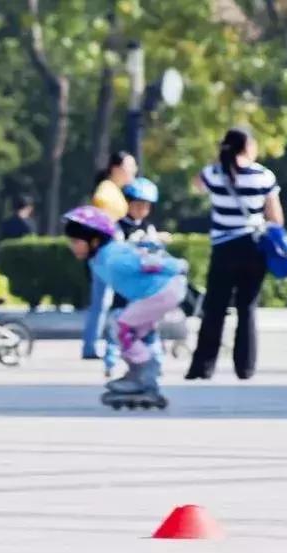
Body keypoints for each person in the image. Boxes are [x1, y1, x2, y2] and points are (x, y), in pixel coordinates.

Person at [185, 127, 284, 381]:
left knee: (215, 308)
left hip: (223, 248)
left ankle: (203, 367)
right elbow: (276, 217)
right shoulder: (263, 175)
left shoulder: (213, 173)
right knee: (246, 308)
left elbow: (195, 186)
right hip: (253, 247)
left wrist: (219, 160)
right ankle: (245, 367)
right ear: (249, 146)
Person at [62, 205, 188, 404]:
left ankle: (143, 372)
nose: (72, 246)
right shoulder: (98, 259)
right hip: (156, 293)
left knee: (121, 327)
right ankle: (145, 377)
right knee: (135, 333)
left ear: (94, 241)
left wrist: (179, 265)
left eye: (76, 241)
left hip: (162, 291)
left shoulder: (113, 259)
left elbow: (147, 262)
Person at [103, 177, 169, 377]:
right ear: (128, 204)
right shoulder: (117, 227)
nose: (142, 210)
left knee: (148, 324)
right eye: (138, 205)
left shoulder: (148, 227)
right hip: (125, 285)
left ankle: (155, 360)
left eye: (146, 206)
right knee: (119, 323)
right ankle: (112, 362)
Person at [81, 151, 139, 359]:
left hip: (107, 251)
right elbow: (99, 204)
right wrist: (109, 226)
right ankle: (98, 345)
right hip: (106, 251)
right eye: (129, 166)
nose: (133, 170)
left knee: (104, 300)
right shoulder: (107, 189)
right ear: (116, 168)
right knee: (107, 299)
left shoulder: (114, 189)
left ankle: (95, 344)